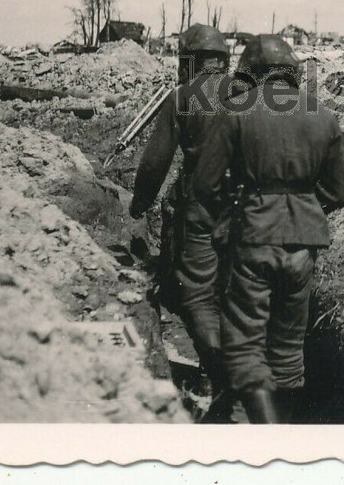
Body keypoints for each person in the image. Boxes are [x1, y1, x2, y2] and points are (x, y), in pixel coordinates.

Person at [192, 35, 344, 423]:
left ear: (253, 73)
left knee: (245, 345)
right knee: (289, 348)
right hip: (303, 245)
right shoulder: (325, 116)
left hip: (254, 236)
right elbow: (335, 192)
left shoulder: (237, 110)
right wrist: (302, 208)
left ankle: (265, 433)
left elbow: (204, 186)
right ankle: (288, 433)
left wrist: (234, 213)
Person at [129, 23, 233, 419]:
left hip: (201, 209)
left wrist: (140, 203)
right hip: (245, 212)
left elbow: (156, 160)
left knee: (197, 294)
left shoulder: (182, 97)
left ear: (190, 61)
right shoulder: (250, 97)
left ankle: (213, 375)